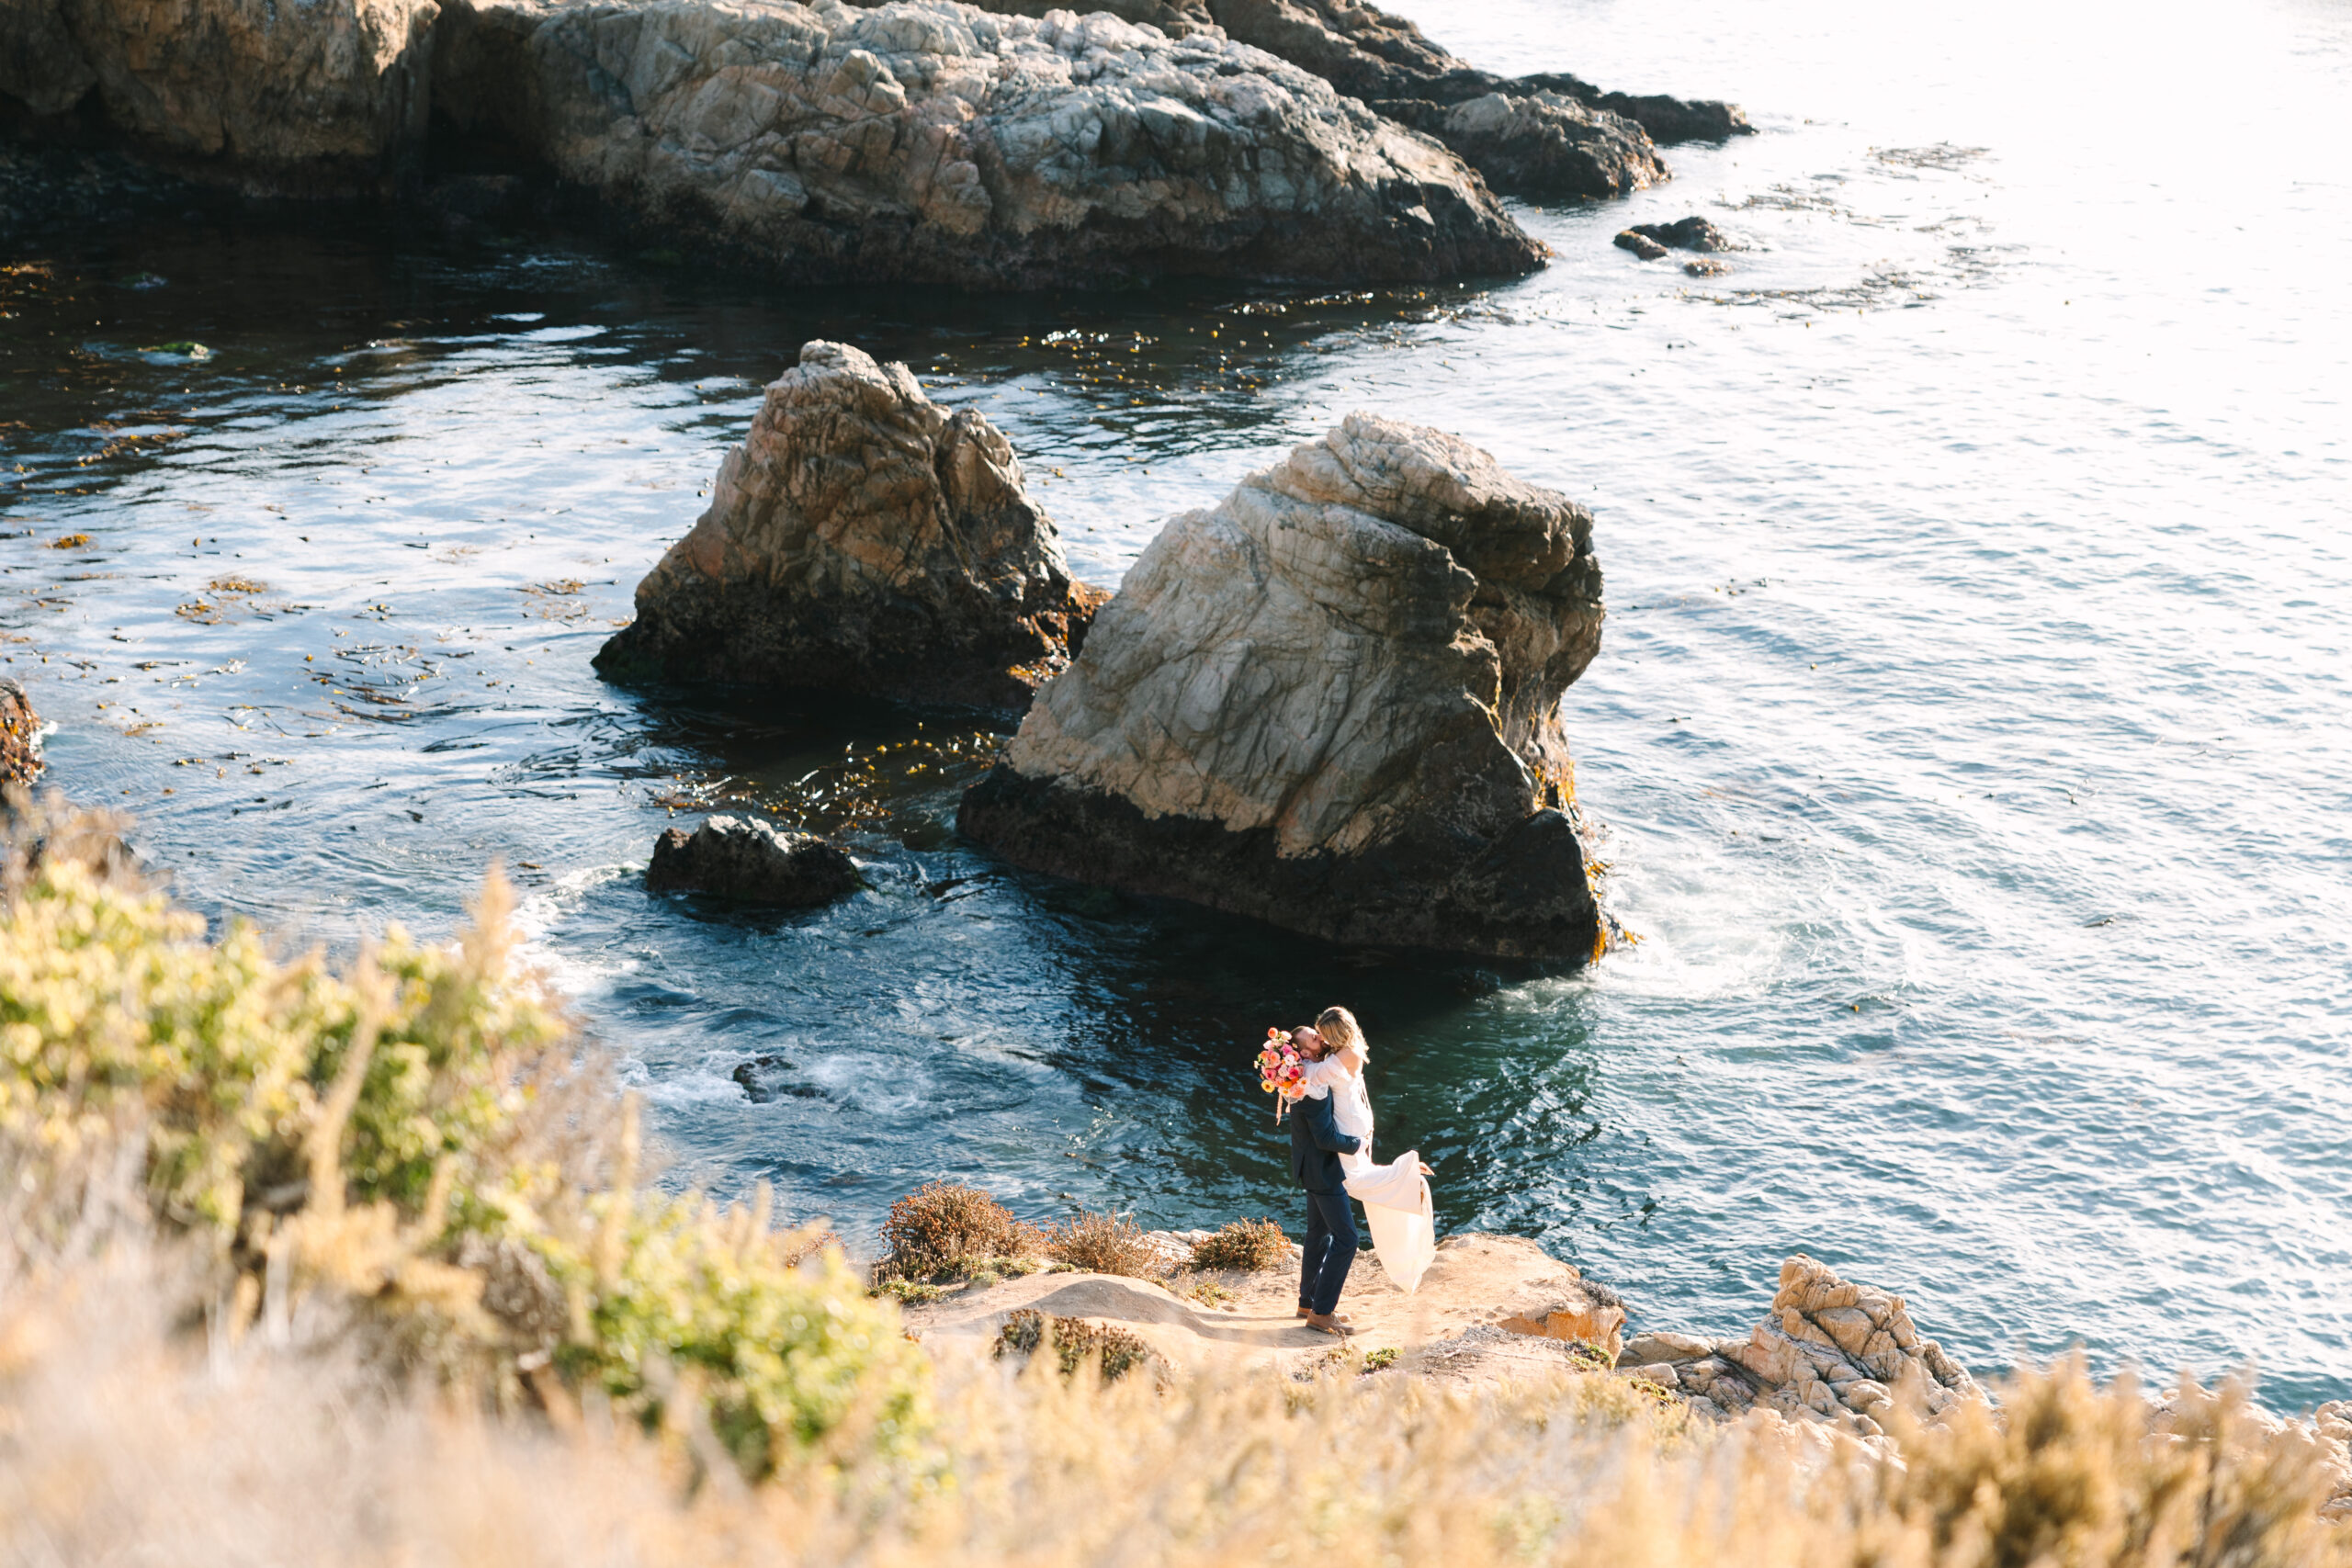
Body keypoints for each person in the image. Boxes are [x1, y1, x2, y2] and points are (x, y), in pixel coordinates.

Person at [1294, 1008, 1437, 1294]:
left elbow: (1316, 1076)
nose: (1319, 1037)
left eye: (1322, 1033)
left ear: (1336, 1034)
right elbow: (1316, 1075)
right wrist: (1291, 1064)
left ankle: (1404, 1175)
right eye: (1316, 1035)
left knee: (1347, 1194)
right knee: (1356, 1186)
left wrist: (1293, 1066)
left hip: (1353, 1133)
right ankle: (1405, 1175)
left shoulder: (1345, 1055)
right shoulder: (1346, 1051)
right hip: (1352, 1135)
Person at [1287, 1036, 1362, 1337]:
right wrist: (1358, 1143)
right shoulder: (1313, 1085)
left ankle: (1308, 1304)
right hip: (1323, 1172)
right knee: (1348, 1239)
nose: (1320, 1037)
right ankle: (1322, 1313)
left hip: (1309, 1169)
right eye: (1314, 1037)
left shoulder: (1299, 1076)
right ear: (1305, 1052)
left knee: (1318, 1233)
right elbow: (1325, 1138)